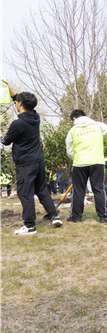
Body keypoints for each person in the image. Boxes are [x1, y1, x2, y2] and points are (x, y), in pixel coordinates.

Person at [0, 81, 62, 234]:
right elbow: (19, 101)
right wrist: (9, 89)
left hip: (25, 164)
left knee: (25, 193)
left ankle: (29, 225)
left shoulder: (17, 124)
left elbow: (6, 141)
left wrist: (1, 135)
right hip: (38, 161)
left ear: (20, 104)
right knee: (41, 189)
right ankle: (54, 216)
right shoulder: (35, 117)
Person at [66, 109, 107, 223]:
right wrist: (105, 141)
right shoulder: (97, 125)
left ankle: (76, 217)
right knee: (99, 189)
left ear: (74, 118)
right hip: (97, 161)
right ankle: (103, 216)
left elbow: (69, 150)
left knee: (78, 191)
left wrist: (76, 157)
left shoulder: (73, 131)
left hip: (79, 163)